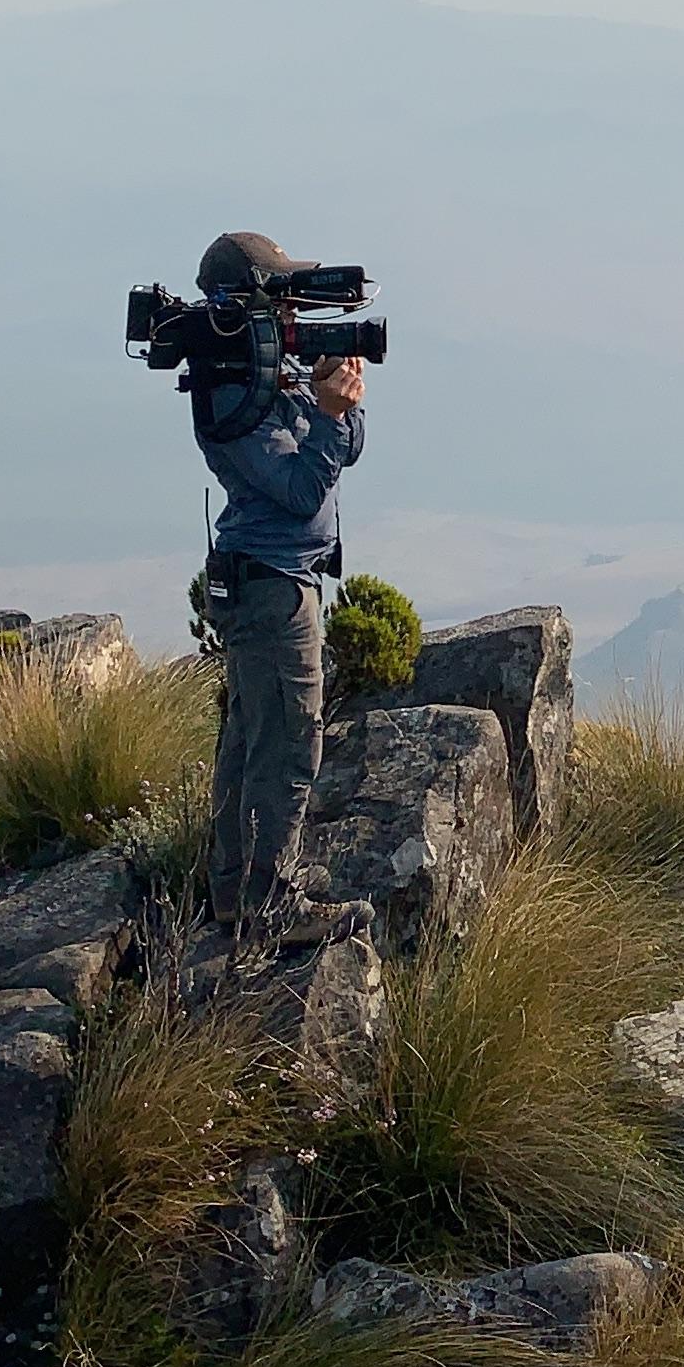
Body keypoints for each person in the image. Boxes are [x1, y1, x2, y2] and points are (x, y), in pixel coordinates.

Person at [194, 230, 375, 947]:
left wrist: (340, 399)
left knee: (248, 739)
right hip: (270, 586)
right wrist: (328, 415)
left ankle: (235, 889)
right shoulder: (233, 389)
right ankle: (273, 906)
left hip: (274, 580)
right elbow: (302, 491)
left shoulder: (265, 377)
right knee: (288, 748)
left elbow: (347, 450)